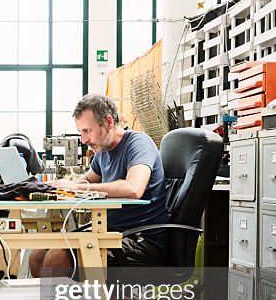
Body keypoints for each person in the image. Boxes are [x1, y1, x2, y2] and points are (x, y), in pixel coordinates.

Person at [29, 93, 170, 277]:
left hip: (140, 241)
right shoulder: (103, 151)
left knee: (56, 259)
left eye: (87, 131)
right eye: (81, 132)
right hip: (109, 232)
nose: (83, 139)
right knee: (37, 257)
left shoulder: (138, 144)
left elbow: (134, 188)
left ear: (109, 122)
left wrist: (78, 188)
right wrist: (60, 187)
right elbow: (86, 180)